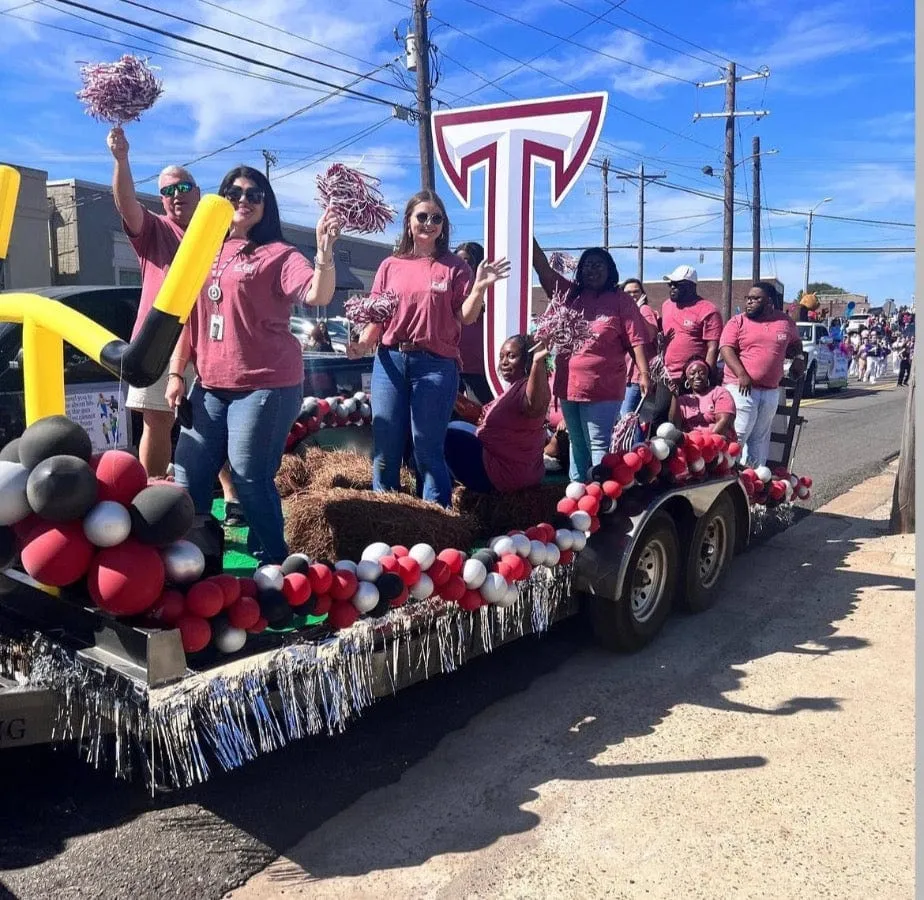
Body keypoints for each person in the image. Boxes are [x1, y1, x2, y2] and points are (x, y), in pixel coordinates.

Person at [166, 166, 341, 563]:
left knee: (248, 475)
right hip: (210, 385)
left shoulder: (279, 254)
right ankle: (196, 556)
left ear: (266, 206)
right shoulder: (203, 250)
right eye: (233, 191)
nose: (242, 199)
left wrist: (325, 254)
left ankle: (273, 561)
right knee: (188, 472)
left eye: (253, 194)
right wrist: (177, 373)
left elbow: (316, 293)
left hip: (266, 385)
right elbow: (188, 320)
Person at [108, 127, 247, 525]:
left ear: (199, 191)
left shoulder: (222, 233)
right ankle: (149, 499)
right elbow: (126, 203)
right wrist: (121, 159)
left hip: (211, 339)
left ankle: (231, 495)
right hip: (159, 341)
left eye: (183, 186)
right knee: (158, 420)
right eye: (167, 190)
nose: (176, 195)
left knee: (209, 422)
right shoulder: (153, 229)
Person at [348, 190, 509, 507]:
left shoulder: (453, 267)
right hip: (390, 363)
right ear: (409, 222)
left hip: (435, 366)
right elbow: (378, 315)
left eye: (437, 218)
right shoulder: (390, 265)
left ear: (443, 226)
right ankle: (386, 515)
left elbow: (467, 315)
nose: (429, 223)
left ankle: (434, 518)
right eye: (422, 216)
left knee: (427, 448)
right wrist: (364, 343)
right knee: (387, 447)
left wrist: (479, 286)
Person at [533, 240, 650, 482]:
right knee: (576, 442)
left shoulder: (620, 300)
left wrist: (645, 374)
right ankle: (576, 490)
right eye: (587, 265)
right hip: (568, 385)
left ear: (610, 270)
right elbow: (542, 267)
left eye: (598, 265)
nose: (592, 270)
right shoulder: (570, 294)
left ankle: (601, 497)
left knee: (598, 443)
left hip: (603, 387)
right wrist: (526, 230)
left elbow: (636, 339)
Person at [444, 335, 551, 492]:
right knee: (454, 426)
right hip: (505, 464)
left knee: (444, 436)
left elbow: (534, 407)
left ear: (526, 359)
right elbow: (479, 415)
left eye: (512, 356)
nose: (504, 362)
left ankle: (439, 494)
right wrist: (448, 389)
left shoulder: (530, 389)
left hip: (506, 474)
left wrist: (537, 362)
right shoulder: (512, 389)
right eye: (501, 357)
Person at [719, 281, 805, 468]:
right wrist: (742, 374)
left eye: (756, 298)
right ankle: (729, 476)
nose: (750, 302)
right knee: (739, 434)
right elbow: (726, 349)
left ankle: (754, 481)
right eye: (748, 298)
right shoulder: (737, 322)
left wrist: (798, 357)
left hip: (770, 390)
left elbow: (795, 343)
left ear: (769, 303)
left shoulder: (785, 322)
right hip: (740, 387)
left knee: (760, 437)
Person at [659, 265, 723, 384]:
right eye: (670, 284)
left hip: (693, 378)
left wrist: (705, 376)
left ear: (691, 286)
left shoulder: (708, 310)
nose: (672, 287)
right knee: (661, 404)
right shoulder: (666, 306)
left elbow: (713, 347)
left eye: (677, 284)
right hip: (667, 375)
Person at [619, 278, 659, 443]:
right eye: (628, 292)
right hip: (623, 375)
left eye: (636, 291)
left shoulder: (644, 310)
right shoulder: (622, 312)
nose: (632, 295)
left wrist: (636, 310)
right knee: (628, 417)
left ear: (642, 294)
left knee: (628, 415)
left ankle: (639, 452)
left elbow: (650, 334)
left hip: (638, 375)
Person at [454, 241, 494, 404]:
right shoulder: (450, 289)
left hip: (479, 370)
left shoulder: (490, 291)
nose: (462, 266)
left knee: (477, 419)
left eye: (468, 261)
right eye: (458, 261)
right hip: (451, 366)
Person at [669, 356, 737, 439]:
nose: (697, 376)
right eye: (692, 373)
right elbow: (675, 424)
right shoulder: (682, 400)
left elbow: (724, 422)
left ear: (707, 376)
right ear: (687, 378)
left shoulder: (719, 392)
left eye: (701, 373)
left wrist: (706, 441)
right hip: (691, 444)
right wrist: (675, 397)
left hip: (717, 442)